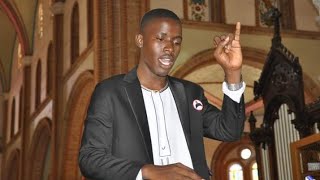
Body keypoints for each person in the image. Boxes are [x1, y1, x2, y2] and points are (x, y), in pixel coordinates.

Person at [79, 8, 245, 180]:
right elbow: (90, 159)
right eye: (160, 38)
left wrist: (233, 72)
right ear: (140, 40)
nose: (169, 48)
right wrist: (146, 171)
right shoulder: (111, 92)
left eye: (177, 42)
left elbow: (229, 131)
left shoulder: (190, 93)